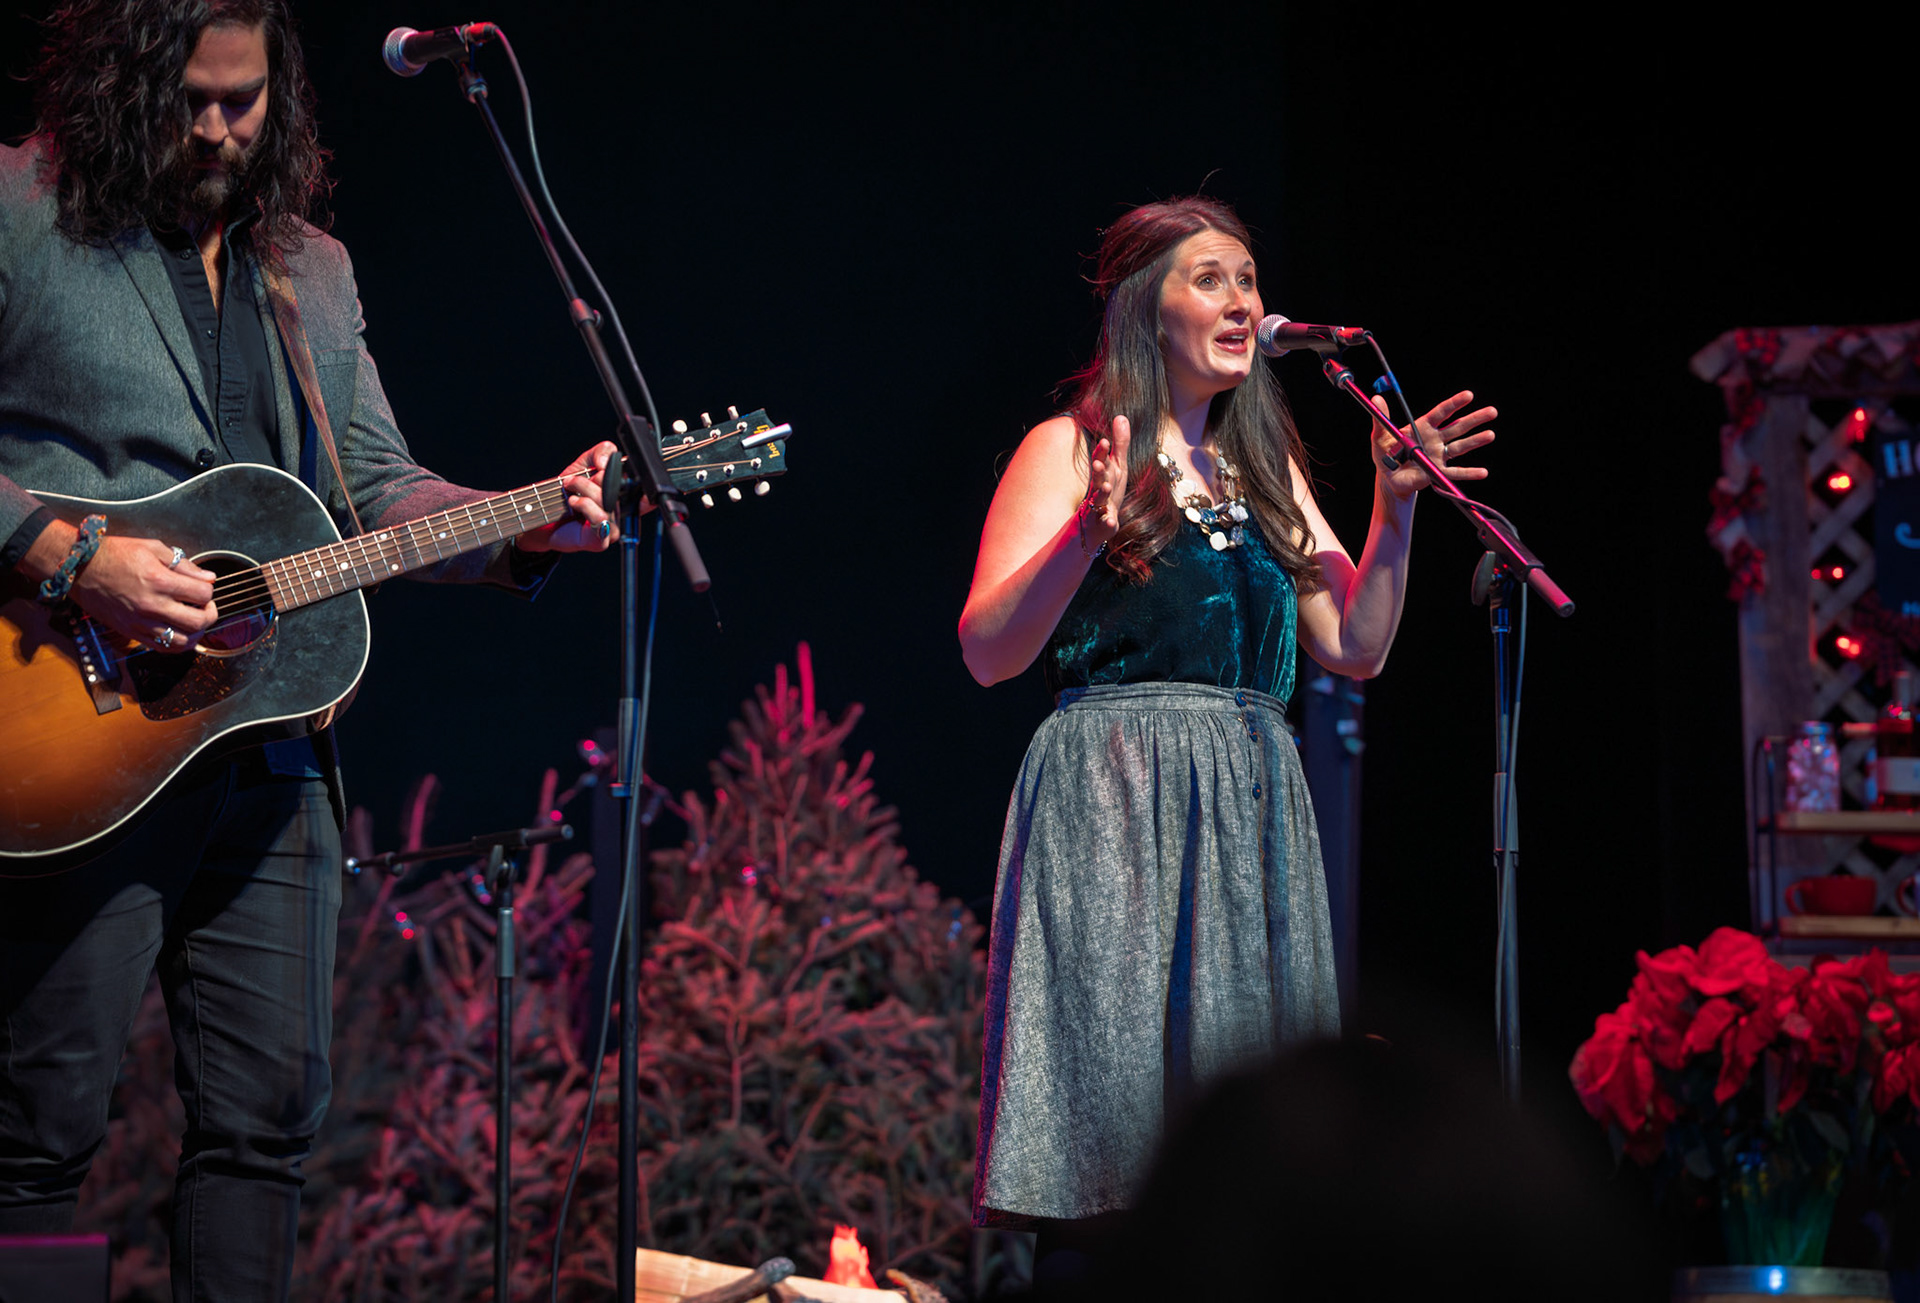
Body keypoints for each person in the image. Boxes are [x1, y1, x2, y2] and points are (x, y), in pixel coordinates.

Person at [0, 2, 618, 1298]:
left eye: (245, 102)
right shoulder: (20, 211)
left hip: (269, 740)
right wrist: (73, 556)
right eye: (192, 100)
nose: (218, 130)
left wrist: (526, 523)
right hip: (72, 729)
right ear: (122, 80)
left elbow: (378, 490)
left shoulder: (311, 270)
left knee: (268, 1121)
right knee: (39, 1118)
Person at [957, 197, 1497, 1258]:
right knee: (1120, 1120)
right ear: (1143, 309)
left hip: (1251, 807)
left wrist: (1396, 506)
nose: (1243, 302)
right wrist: (1085, 535)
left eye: (1249, 279)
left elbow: (1355, 642)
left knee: (1250, 1147)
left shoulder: (1264, 467)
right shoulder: (1069, 448)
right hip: (1118, 796)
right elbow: (987, 651)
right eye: (1211, 279)